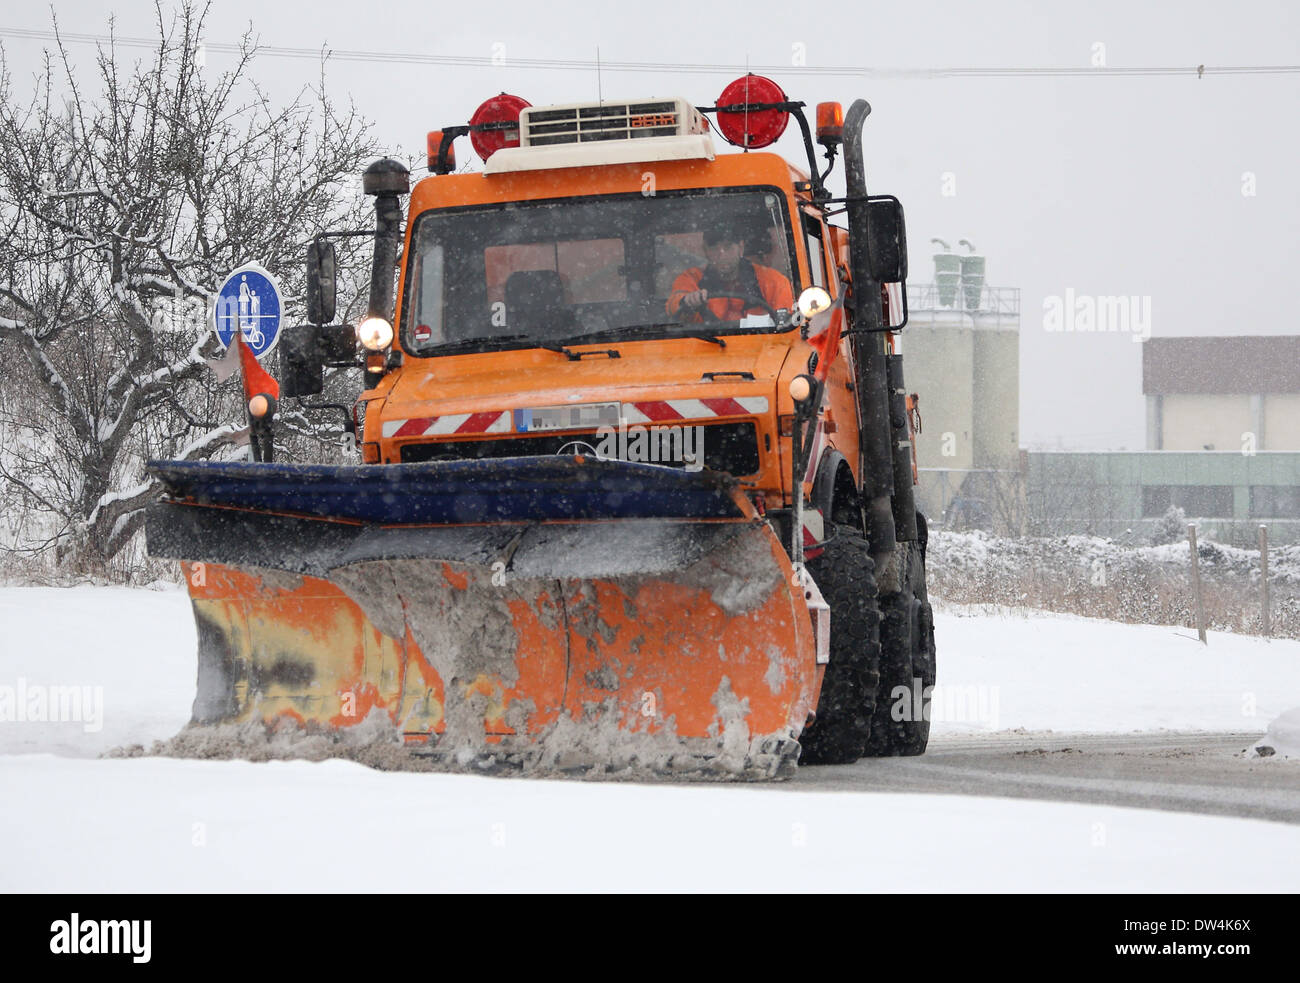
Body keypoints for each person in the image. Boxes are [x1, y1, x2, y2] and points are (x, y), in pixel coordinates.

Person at [667, 227, 793, 322]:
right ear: (705, 251)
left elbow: (785, 326)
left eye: (728, 247)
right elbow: (674, 304)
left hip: (763, 349)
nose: (721, 255)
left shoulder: (772, 281)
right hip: (705, 348)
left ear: (741, 248)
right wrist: (687, 301)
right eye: (714, 248)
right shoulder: (692, 278)